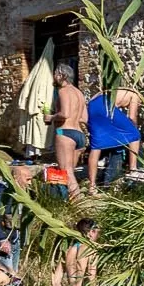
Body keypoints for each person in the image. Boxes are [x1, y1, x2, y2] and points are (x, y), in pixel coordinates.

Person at [51, 65, 89, 196]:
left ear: (62, 76)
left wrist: (51, 117)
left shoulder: (63, 91)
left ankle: (79, 202)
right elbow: (84, 118)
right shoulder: (79, 93)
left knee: (66, 171)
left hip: (64, 133)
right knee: (70, 173)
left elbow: (65, 114)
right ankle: (67, 200)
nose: (54, 77)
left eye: (55, 74)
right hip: (79, 135)